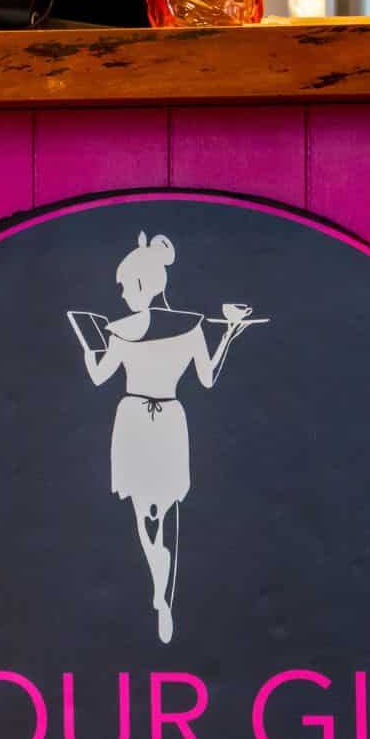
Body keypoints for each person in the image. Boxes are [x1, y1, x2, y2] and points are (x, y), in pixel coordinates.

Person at [70, 231, 258, 644]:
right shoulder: (190, 327)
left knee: (148, 513)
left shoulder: (121, 331)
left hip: (138, 417)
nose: (120, 295)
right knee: (164, 509)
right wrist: (228, 335)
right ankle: (161, 591)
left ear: (141, 284)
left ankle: (162, 589)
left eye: (123, 287)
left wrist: (89, 349)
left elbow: (99, 377)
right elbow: (208, 378)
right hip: (166, 417)